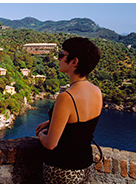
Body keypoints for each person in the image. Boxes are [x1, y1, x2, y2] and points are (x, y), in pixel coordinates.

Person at [35, 37, 102, 184]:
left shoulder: (66, 97)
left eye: (61, 54)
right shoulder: (96, 91)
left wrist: (40, 134)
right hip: (85, 165)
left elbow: (50, 144)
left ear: (74, 62)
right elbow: (80, 124)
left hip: (63, 169)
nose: (58, 58)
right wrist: (52, 122)